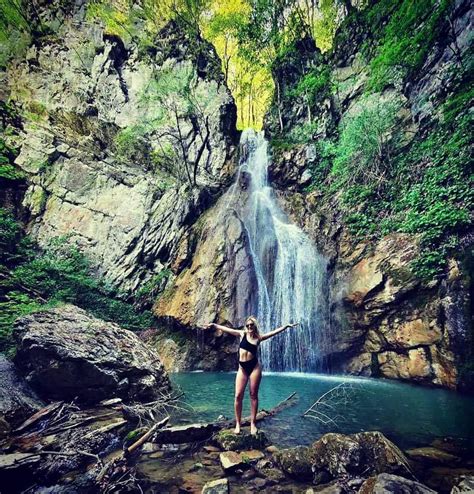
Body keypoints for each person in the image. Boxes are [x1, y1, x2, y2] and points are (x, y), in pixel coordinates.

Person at [204, 316, 298, 435]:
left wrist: (285, 327)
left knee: (253, 395)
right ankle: (238, 424)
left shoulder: (258, 338)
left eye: (251, 325)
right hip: (242, 368)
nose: (249, 327)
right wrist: (214, 325)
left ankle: (253, 423)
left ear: (254, 326)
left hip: (254, 368)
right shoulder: (242, 334)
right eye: (247, 325)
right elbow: (227, 329)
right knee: (238, 396)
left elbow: (273, 333)